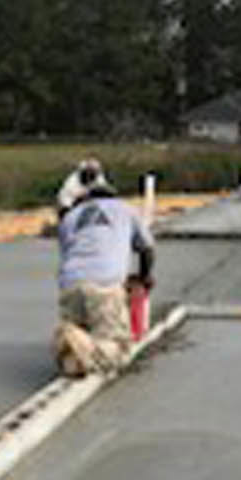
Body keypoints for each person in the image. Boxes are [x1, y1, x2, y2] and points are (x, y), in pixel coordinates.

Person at [52, 161, 155, 378]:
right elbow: (147, 249)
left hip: (70, 283)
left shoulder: (71, 216)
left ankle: (74, 338)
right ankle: (78, 340)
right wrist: (144, 277)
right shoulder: (125, 210)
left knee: (79, 355)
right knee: (117, 348)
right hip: (105, 284)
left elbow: (67, 252)